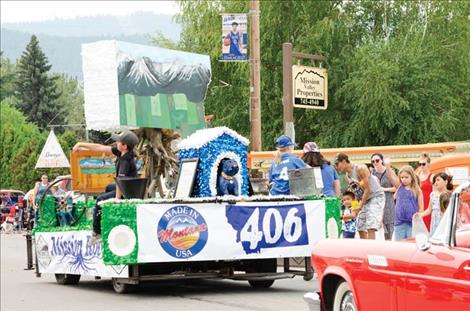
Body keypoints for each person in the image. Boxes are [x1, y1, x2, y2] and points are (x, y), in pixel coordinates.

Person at [73, 130, 139, 242]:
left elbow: (120, 181)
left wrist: (117, 199)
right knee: (109, 187)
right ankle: (103, 214)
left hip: (128, 191)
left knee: (99, 200)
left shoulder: (125, 160)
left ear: (124, 146)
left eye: (118, 142)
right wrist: (81, 144)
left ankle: (97, 232)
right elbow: (100, 147)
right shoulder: (120, 152)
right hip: (128, 186)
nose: (116, 143)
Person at [385, 162, 424, 241]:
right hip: (399, 222)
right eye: (402, 177)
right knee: (399, 245)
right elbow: (390, 177)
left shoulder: (417, 190)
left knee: (411, 244)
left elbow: (421, 207)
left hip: (411, 223)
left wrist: (419, 217)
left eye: (406, 177)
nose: (404, 179)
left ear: (412, 177)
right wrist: (387, 165)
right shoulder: (399, 186)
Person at [354, 165, 385, 240]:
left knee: (371, 226)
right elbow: (355, 193)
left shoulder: (361, 169)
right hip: (365, 200)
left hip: (375, 197)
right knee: (360, 226)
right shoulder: (347, 176)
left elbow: (368, 190)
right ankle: (364, 247)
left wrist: (360, 207)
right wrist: (354, 209)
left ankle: (371, 247)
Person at [370, 153, 396, 240]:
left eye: (377, 160)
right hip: (377, 202)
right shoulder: (372, 173)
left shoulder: (389, 171)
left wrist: (383, 189)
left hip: (388, 201)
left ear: (382, 161)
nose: (375, 163)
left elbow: (396, 188)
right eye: (373, 161)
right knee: (378, 228)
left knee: (389, 228)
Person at [417, 153, 433, 230]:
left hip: (428, 205)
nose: (421, 166)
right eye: (419, 164)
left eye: (423, 164)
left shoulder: (432, 176)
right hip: (419, 204)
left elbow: (435, 194)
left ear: (428, 164)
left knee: (428, 227)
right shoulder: (417, 175)